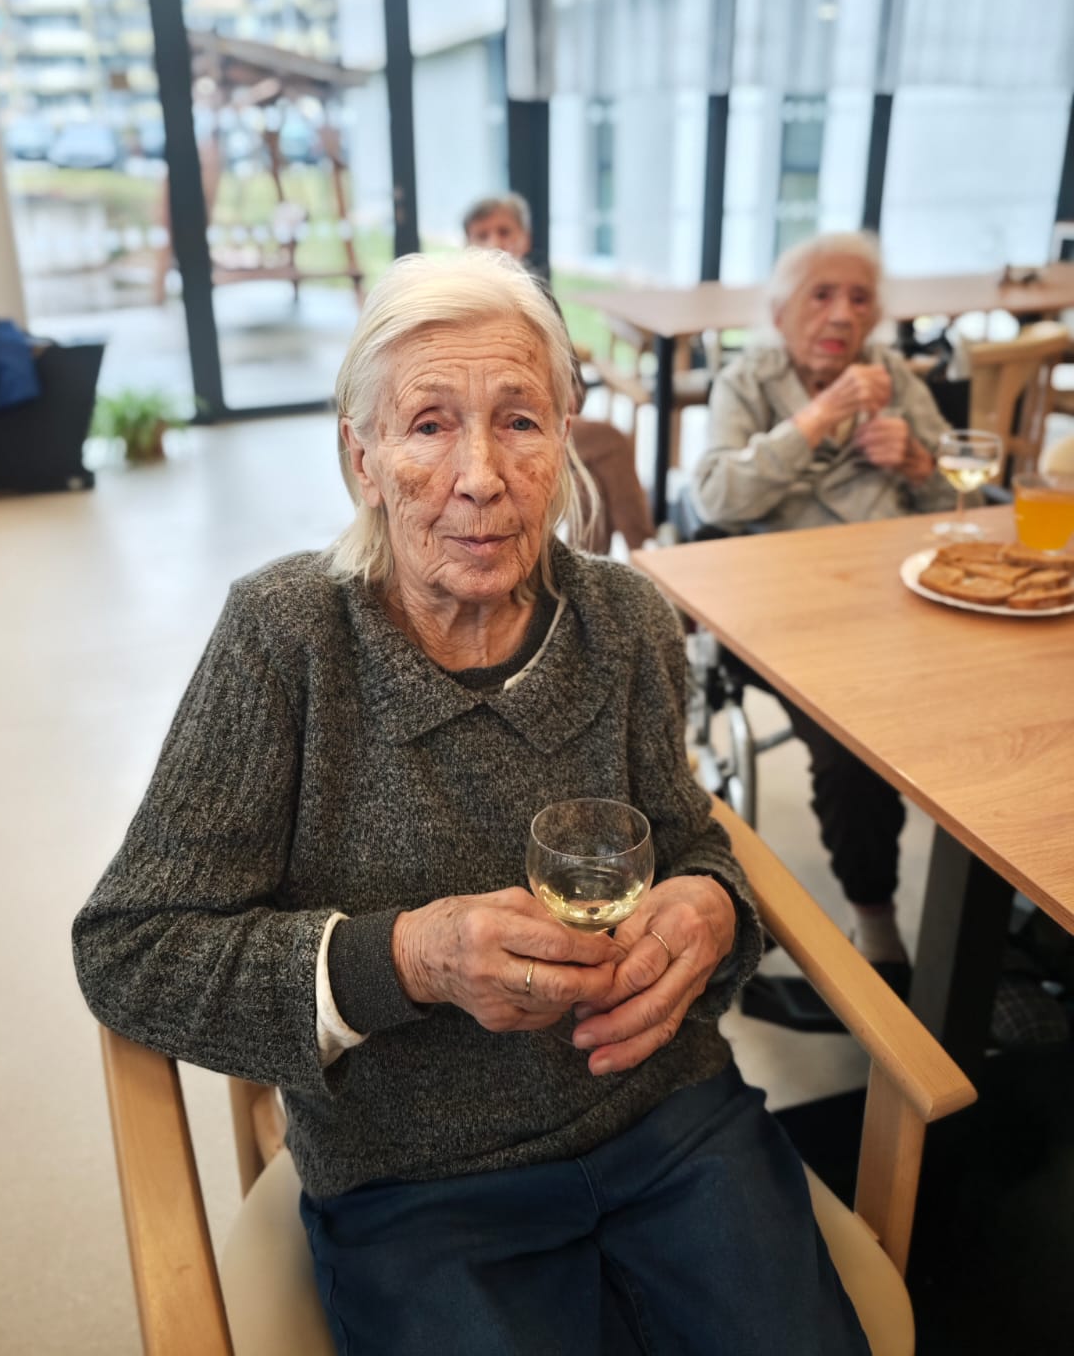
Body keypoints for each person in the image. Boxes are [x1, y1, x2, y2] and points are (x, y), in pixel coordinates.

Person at [73, 249, 870, 1355]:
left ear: (564, 441)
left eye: (520, 421)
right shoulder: (285, 640)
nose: (482, 476)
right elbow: (131, 950)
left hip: (671, 1124)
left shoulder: (628, 621)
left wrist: (713, 909)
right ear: (362, 457)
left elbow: (693, 842)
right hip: (420, 1184)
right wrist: (406, 958)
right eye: (429, 424)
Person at [691, 230, 956, 977]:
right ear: (781, 314)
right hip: (783, 617)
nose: (842, 313)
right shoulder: (748, 381)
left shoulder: (894, 376)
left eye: (859, 298)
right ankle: (875, 918)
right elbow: (712, 496)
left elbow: (955, 497)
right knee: (852, 750)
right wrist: (813, 421)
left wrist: (918, 462)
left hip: (896, 600)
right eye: (822, 295)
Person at [463, 193, 656, 555]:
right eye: (482, 235)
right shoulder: (466, 307)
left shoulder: (540, 297)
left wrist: (568, 395)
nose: (495, 243)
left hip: (550, 420)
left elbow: (572, 372)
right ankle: (647, 550)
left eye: (504, 232)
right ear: (467, 245)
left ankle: (587, 568)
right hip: (500, 430)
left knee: (589, 484)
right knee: (611, 442)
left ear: (524, 240)